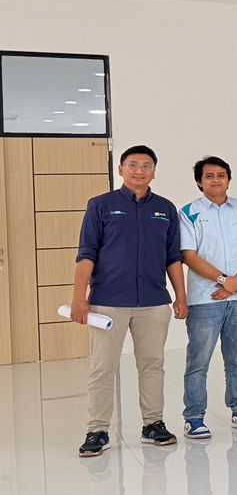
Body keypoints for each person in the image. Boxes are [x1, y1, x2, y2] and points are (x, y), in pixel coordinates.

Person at [72, 145, 186, 456]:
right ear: (121, 169)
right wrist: (79, 298)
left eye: (146, 166)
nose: (139, 171)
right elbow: (86, 253)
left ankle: (153, 424)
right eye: (133, 165)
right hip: (108, 302)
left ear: (154, 172)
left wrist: (181, 296)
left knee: (153, 365)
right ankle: (97, 430)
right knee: (103, 367)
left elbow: (173, 257)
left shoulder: (165, 208)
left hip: (153, 302)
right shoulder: (101, 205)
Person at [177, 156, 237, 438]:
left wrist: (236, 282)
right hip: (204, 299)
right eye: (209, 176)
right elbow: (188, 255)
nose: (215, 180)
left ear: (229, 180)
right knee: (198, 362)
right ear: (199, 182)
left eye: (221, 175)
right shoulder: (189, 212)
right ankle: (194, 417)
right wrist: (223, 280)